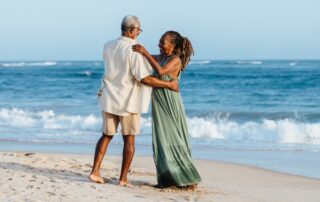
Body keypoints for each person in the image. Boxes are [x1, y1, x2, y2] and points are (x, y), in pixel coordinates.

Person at [89, 16, 178, 186]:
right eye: (138, 30)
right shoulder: (133, 49)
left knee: (106, 136)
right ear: (131, 30)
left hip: (108, 96)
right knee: (129, 140)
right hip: (128, 101)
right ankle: (123, 179)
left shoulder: (107, 45)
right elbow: (144, 78)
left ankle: (95, 172)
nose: (139, 33)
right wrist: (169, 85)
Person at [132, 31, 201, 188]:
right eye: (159, 42)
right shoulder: (160, 57)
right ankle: (168, 178)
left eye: (162, 43)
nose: (159, 45)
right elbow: (145, 59)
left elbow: (162, 72)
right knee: (162, 139)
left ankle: (188, 178)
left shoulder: (175, 60)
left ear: (173, 45)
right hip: (159, 101)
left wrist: (145, 53)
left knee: (173, 138)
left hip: (171, 102)